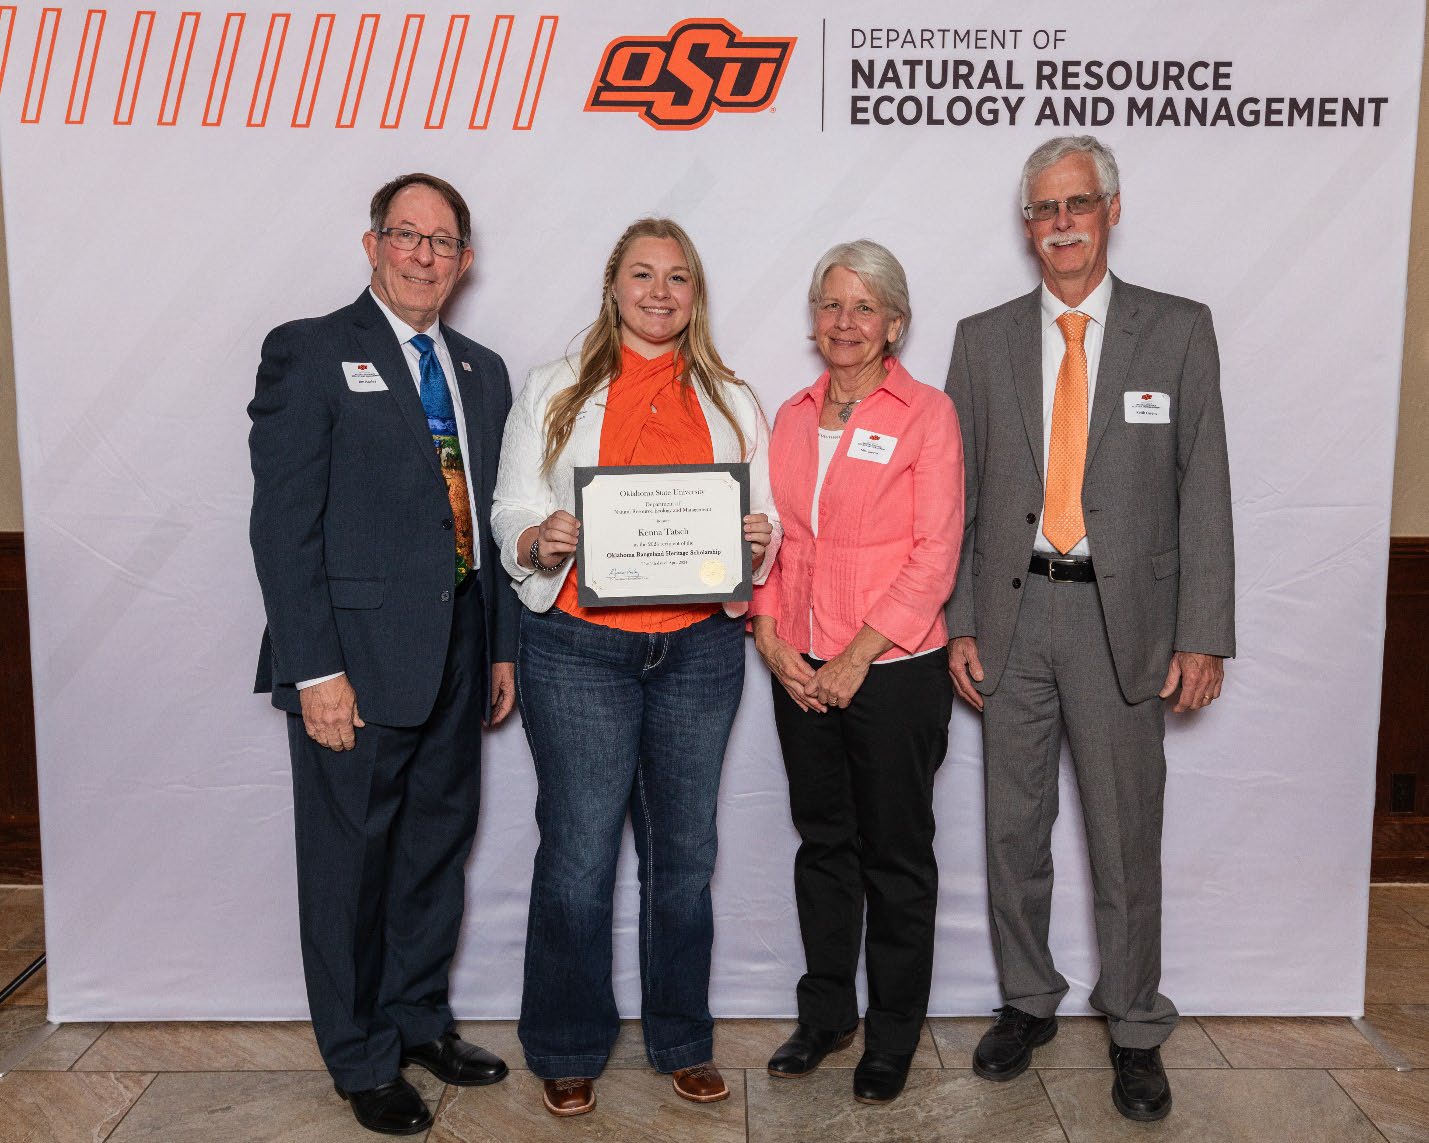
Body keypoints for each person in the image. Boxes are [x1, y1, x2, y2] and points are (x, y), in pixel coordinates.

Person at [944, 135, 1235, 1122]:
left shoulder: (1177, 330)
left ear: (1111, 210)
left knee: (1123, 838)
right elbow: (963, 494)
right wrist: (959, 621)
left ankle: (1134, 1023)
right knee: (1012, 831)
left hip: (1129, 624)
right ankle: (1027, 1001)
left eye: (1075, 204)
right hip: (1013, 616)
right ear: (1025, 226)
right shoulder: (980, 340)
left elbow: (1205, 494)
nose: (1058, 223)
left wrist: (1203, 631)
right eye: (1040, 209)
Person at [248, 173, 518, 1136]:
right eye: (405, 235)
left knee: (433, 851)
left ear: (464, 262)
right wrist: (313, 670)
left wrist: (501, 650)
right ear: (372, 245)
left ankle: (416, 1019)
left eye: (442, 242)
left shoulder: (480, 370)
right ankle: (360, 1055)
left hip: (458, 653)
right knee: (347, 866)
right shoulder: (313, 351)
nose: (423, 255)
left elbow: (488, 522)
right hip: (352, 668)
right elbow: (282, 528)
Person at [491, 218, 779, 1117]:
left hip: (696, 652)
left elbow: (762, 524)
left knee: (684, 856)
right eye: (643, 275)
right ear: (613, 284)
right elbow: (507, 510)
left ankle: (681, 1039)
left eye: (678, 279)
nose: (660, 292)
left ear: (696, 296)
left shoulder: (732, 396)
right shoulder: (553, 389)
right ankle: (567, 1042)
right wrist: (539, 538)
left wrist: (756, 542)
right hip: (579, 648)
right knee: (578, 855)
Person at [751, 240, 963, 1105]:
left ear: (895, 324)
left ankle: (893, 1033)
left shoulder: (927, 414)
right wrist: (766, 634)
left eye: (863, 307)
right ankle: (828, 1011)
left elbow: (934, 552)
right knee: (823, 844)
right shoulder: (791, 415)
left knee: (895, 855)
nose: (844, 322)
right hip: (796, 665)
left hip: (891, 669)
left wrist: (853, 657)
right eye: (830, 304)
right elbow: (768, 535)